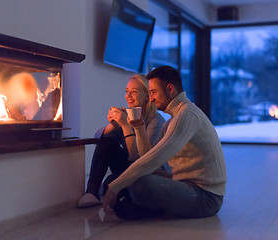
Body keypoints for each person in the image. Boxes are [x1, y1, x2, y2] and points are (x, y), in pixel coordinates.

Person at [102, 65, 227, 219]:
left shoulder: (187, 116)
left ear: (170, 89)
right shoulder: (173, 120)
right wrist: (139, 127)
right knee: (118, 180)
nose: (152, 98)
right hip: (185, 185)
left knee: (138, 184)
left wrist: (114, 188)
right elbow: (148, 156)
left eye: (153, 92)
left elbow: (153, 160)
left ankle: (152, 208)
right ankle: (146, 205)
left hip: (206, 197)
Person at [78, 74, 166, 208]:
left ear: (147, 96)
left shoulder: (156, 121)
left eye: (134, 92)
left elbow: (137, 157)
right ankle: (91, 192)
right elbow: (99, 139)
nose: (128, 96)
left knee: (110, 182)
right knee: (108, 140)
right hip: (131, 168)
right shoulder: (128, 115)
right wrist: (113, 124)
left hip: (149, 171)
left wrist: (125, 126)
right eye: (127, 91)